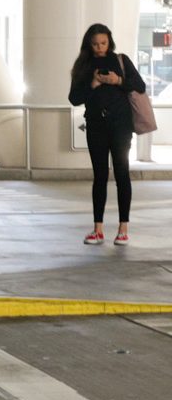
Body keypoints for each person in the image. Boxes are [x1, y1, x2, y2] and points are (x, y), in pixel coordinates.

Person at [68, 23, 145, 246]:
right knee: (99, 176)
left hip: (121, 125)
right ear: (88, 44)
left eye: (103, 43)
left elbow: (140, 85)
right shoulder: (83, 65)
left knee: (122, 173)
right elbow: (74, 98)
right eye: (95, 44)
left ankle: (123, 229)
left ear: (109, 41)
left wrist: (117, 80)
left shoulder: (121, 60)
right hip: (95, 125)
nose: (100, 48)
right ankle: (97, 229)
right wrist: (92, 83)